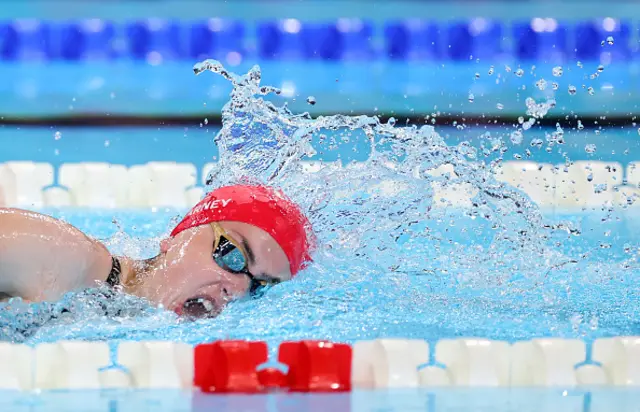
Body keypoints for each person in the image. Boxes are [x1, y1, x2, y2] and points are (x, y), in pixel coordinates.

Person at [0, 184, 314, 319]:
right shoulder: (64, 258)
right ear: (174, 238)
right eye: (232, 255)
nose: (239, 288)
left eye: (259, 287)